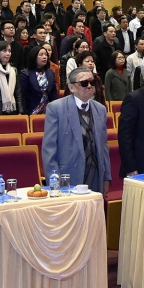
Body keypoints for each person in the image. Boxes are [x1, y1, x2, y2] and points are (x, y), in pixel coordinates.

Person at [42, 67, 111, 196]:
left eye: (92, 82)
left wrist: (106, 177)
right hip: (69, 176)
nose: (89, 86)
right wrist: (54, 182)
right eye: (84, 83)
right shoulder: (56, 108)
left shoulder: (100, 109)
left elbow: (104, 146)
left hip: (95, 175)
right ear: (71, 87)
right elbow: (49, 149)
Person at [20, 45, 59, 114]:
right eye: (41, 55)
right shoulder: (25, 74)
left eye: (46, 55)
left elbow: (53, 94)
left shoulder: (50, 72)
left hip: (48, 110)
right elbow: (23, 96)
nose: (44, 57)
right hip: (32, 110)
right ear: (34, 57)